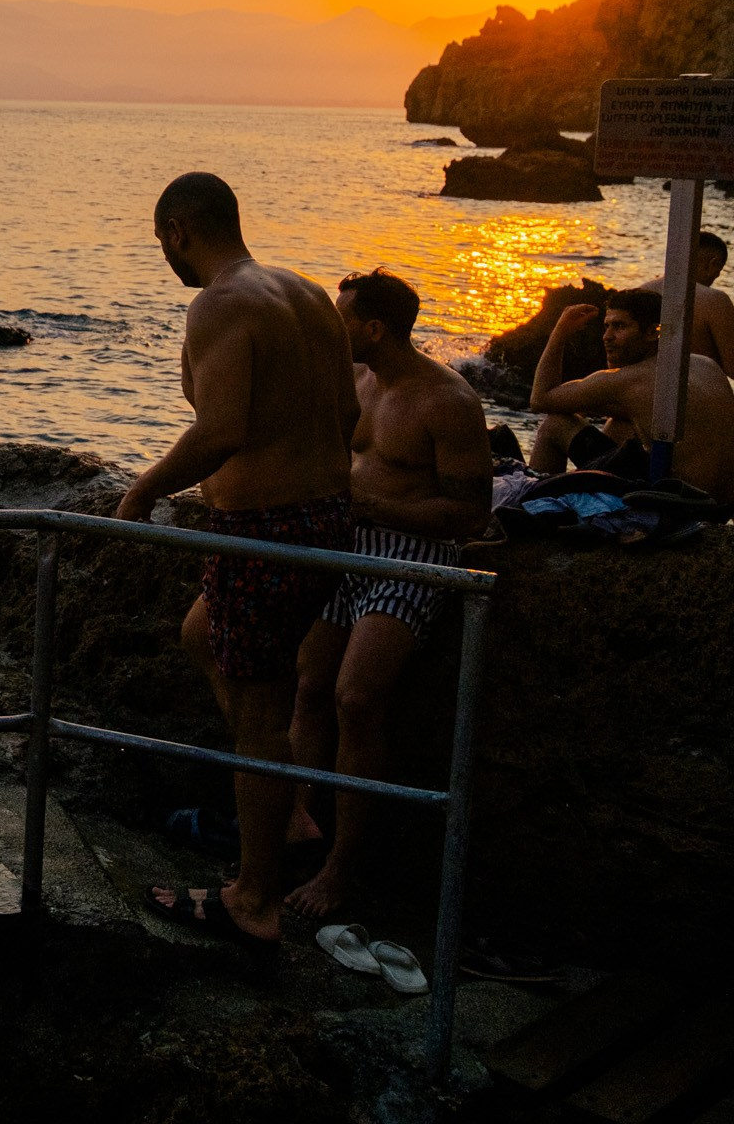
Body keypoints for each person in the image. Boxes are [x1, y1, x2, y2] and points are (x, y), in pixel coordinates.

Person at [114, 172, 357, 951]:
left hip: (267, 533)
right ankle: (280, 806)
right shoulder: (307, 293)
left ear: (179, 231)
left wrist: (144, 489)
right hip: (326, 520)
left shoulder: (217, 304)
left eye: (163, 245)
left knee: (259, 716)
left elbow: (219, 429)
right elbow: (348, 412)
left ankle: (254, 899)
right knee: (201, 633)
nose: (168, 259)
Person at [285, 270, 492, 918]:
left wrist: (372, 505)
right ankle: (291, 828)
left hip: (411, 555)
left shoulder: (448, 402)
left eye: (342, 317)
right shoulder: (354, 380)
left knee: (356, 696)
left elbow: (469, 516)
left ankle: (341, 872)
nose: (332, 328)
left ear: (374, 329)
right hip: (344, 545)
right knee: (309, 685)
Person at [529, 289, 734, 525]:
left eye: (619, 327)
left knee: (555, 424)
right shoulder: (705, 364)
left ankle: (534, 509)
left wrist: (560, 332)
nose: (607, 337)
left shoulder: (629, 379)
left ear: (653, 332)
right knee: (621, 423)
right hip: (718, 507)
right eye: (606, 326)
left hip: (676, 506)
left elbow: (540, 399)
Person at [636, 230, 734, 382]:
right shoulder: (714, 301)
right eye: (719, 271)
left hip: (641, 390)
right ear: (713, 264)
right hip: (693, 393)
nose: (716, 276)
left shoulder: (640, 292)